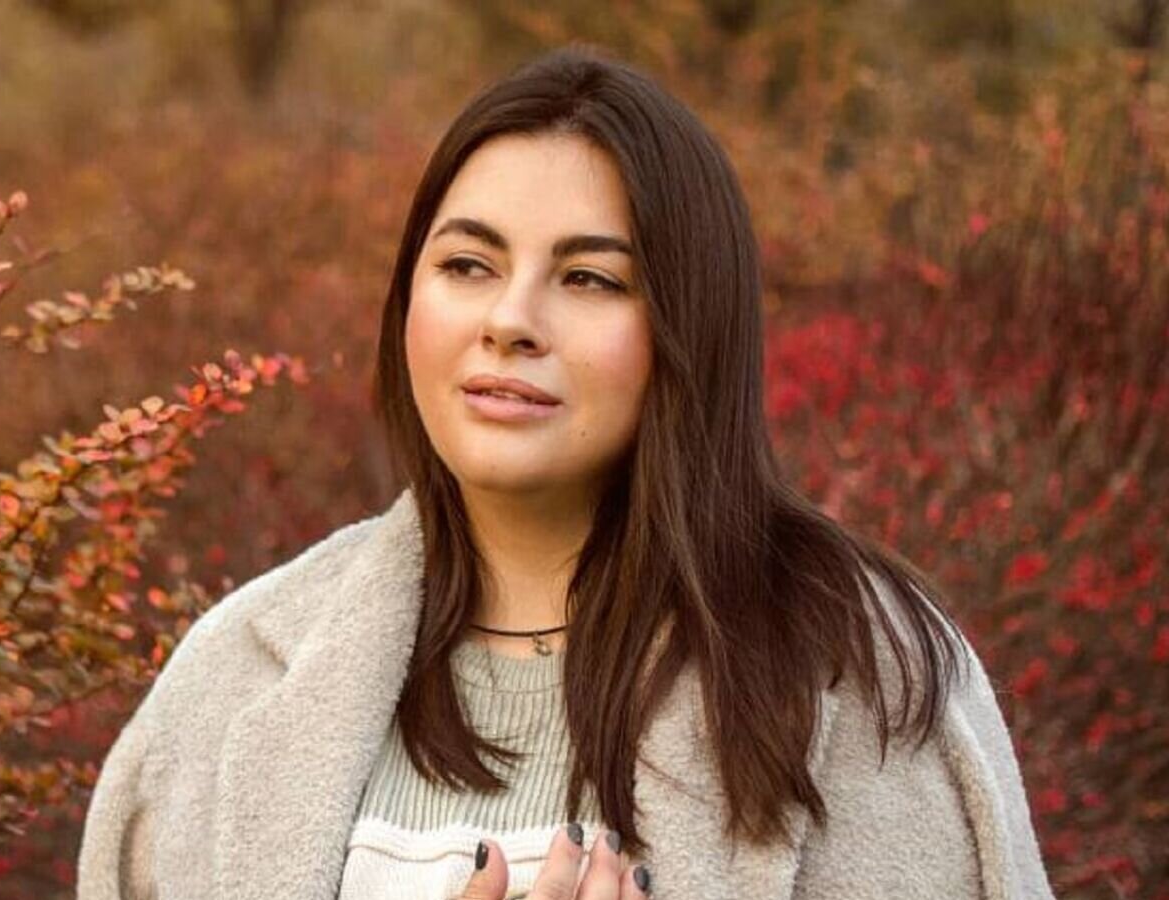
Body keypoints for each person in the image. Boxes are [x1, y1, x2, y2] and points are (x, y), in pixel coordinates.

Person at [76, 44, 1055, 900]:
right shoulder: (236, 673)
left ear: (689, 325)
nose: (510, 320)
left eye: (589, 278)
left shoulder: (859, 678)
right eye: (467, 265)